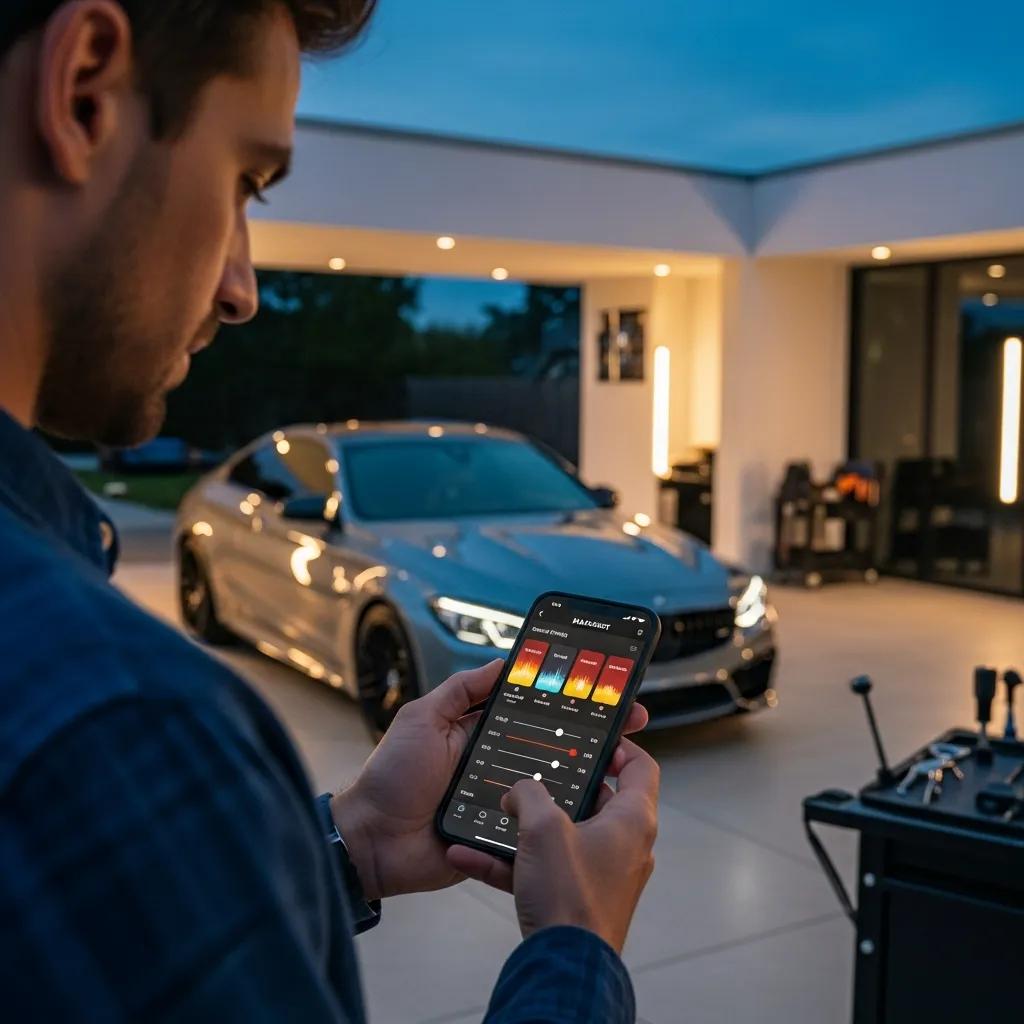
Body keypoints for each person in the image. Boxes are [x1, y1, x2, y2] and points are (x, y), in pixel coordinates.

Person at [0, 2, 661, 1021]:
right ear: (84, 90)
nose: (241, 289)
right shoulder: (115, 721)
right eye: (243, 182)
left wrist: (354, 841)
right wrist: (575, 945)